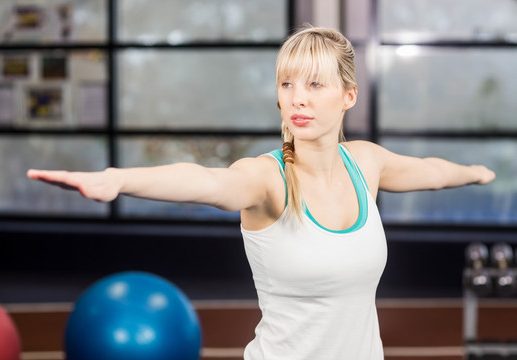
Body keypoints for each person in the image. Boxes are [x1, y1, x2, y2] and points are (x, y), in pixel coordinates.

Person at [27, 26, 495, 359]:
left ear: (348, 95)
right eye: (287, 83)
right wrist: (119, 179)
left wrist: (473, 171)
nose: (298, 97)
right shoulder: (267, 179)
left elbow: (430, 171)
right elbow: (206, 181)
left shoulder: (366, 164)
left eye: (315, 84)